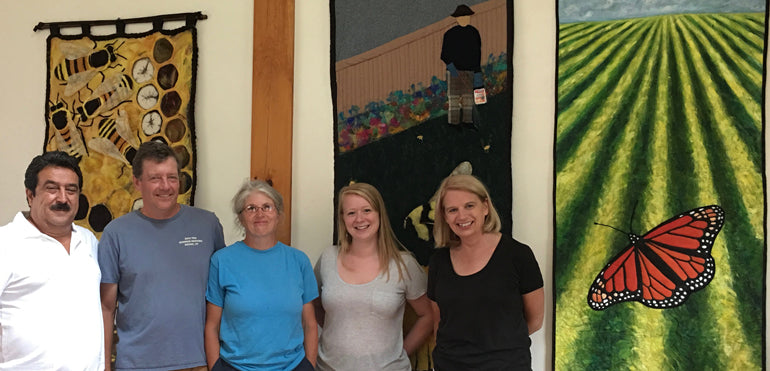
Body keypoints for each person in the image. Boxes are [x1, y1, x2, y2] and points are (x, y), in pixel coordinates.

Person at [99, 141, 225, 371]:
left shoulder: (208, 225)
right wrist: (105, 365)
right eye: (155, 178)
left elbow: (222, 295)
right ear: (137, 182)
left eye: (172, 177)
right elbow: (106, 308)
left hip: (197, 361)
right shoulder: (115, 234)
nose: (166, 186)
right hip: (137, 364)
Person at [427, 174, 544, 370]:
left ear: (486, 207)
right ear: (445, 217)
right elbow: (439, 321)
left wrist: (496, 347)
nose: (462, 216)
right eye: (452, 210)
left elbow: (535, 320)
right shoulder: (439, 261)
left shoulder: (518, 255)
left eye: (469, 206)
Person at [0, 151, 103, 370]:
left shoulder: (88, 242)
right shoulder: (5, 243)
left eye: (71, 190)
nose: (63, 198)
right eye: (52, 188)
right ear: (30, 195)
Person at [313, 183, 433, 370]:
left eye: (367, 210)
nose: (359, 219)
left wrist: (402, 352)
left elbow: (428, 314)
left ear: (379, 214)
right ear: (342, 219)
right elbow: (314, 306)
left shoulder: (404, 264)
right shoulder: (328, 258)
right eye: (351, 213)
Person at [205, 179, 318, 371]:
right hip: (235, 366)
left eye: (267, 207)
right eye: (251, 208)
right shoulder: (222, 261)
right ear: (240, 217)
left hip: (293, 366)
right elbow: (212, 326)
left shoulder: (299, 261)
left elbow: (310, 324)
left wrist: (309, 365)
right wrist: (216, 367)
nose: (260, 214)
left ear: (279, 214)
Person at [440, 4, 483, 126]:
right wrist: (453, 70)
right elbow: (444, 55)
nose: (465, 19)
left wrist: (477, 72)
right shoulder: (449, 34)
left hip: (470, 71)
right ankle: (454, 123)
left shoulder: (474, 33)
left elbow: (477, 54)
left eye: (467, 16)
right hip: (454, 71)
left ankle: (467, 122)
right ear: (457, 19)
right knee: (454, 99)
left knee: (468, 99)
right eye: (462, 17)